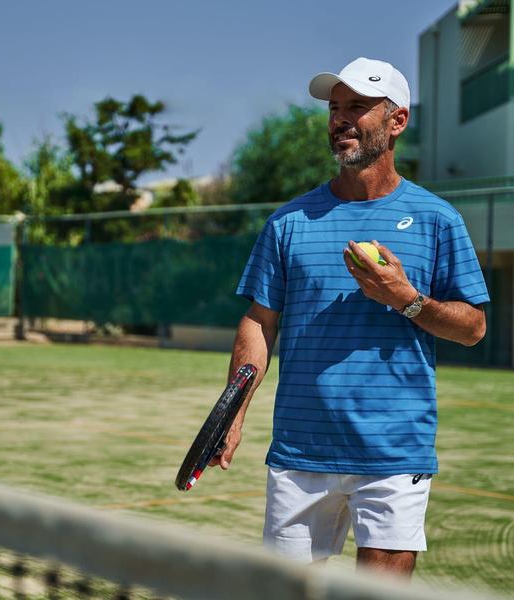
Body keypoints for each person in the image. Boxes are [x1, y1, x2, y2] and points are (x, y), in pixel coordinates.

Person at [210, 57, 489, 577]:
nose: (340, 118)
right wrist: (232, 410)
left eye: (358, 106)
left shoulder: (437, 219)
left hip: (393, 453)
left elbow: (473, 327)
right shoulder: (288, 222)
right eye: (335, 108)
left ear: (396, 120)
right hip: (300, 451)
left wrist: (407, 297)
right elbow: (259, 321)